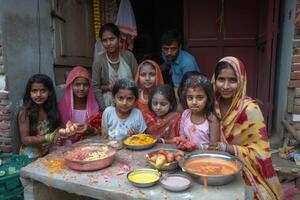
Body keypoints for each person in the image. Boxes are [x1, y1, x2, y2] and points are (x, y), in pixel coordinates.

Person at [210, 56, 283, 199]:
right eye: (221, 79)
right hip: (215, 167)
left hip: (245, 172)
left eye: (232, 80)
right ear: (214, 79)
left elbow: (261, 154)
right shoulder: (211, 105)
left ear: (241, 81)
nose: (225, 86)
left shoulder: (250, 110)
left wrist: (228, 148)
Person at [92, 23, 138, 111]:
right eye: (105, 40)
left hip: (129, 103)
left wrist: (134, 103)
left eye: (112, 39)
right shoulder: (99, 61)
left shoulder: (129, 56)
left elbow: (137, 80)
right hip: (108, 104)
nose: (108, 43)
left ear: (119, 38)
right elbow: (95, 87)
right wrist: (104, 109)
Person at [18, 74, 60, 159]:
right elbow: (25, 139)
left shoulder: (50, 109)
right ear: (29, 93)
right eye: (34, 91)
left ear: (50, 92)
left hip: (46, 153)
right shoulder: (25, 112)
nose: (38, 94)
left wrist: (58, 133)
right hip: (30, 156)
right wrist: (48, 137)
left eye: (43, 90)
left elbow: (57, 127)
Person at [174, 75, 220, 151]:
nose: (194, 102)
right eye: (190, 98)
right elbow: (182, 137)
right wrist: (180, 142)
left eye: (199, 97)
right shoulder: (186, 114)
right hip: (186, 155)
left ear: (208, 99)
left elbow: (214, 147)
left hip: (204, 157)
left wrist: (196, 147)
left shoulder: (212, 119)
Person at [58, 66, 100, 143]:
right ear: (71, 85)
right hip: (67, 144)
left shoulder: (94, 106)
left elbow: (98, 131)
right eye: (77, 84)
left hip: (89, 143)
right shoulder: (62, 106)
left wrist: (89, 129)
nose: (81, 88)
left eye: (85, 85)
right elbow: (59, 131)